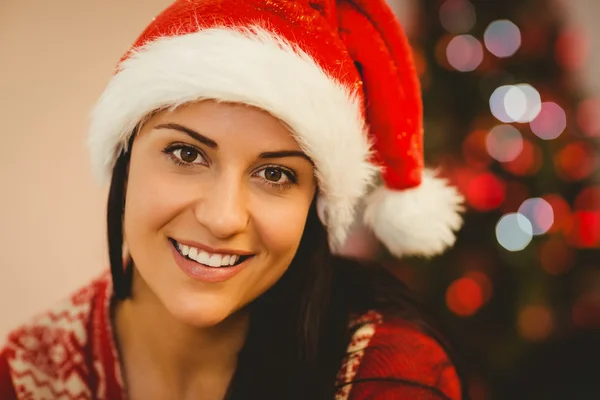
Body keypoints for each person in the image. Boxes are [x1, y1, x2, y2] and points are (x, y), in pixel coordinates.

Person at [0, 0, 466, 399]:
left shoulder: (392, 374)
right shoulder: (26, 376)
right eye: (186, 154)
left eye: (275, 173)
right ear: (125, 157)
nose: (222, 218)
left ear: (314, 206)